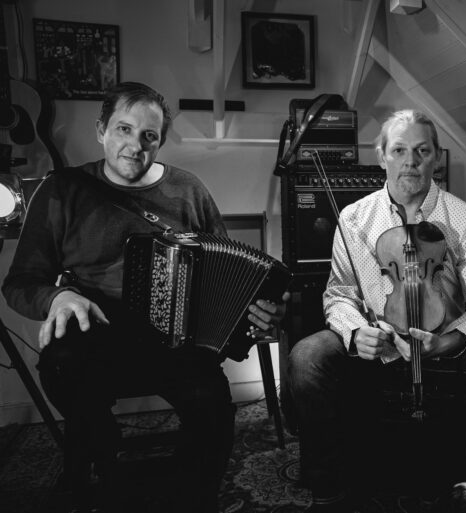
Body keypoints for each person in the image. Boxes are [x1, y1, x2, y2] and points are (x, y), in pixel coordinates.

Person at [2, 81, 288, 513]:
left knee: (213, 410)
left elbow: (230, 273)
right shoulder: (62, 190)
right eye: (123, 129)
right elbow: (20, 283)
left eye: (148, 136)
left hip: (178, 340)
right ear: (101, 130)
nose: (134, 145)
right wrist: (58, 298)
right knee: (63, 366)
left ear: (160, 141)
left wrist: (259, 311)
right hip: (96, 333)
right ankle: (107, 465)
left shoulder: (188, 189)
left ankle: (185, 493)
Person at [288, 109, 466, 512]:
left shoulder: (465, 219)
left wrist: (447, 340)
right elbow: (339, 292)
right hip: (379, 337)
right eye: (399, 150)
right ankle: (329, 488)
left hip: (446, 337)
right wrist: (355, 332)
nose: (410, 162)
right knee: (306, 357)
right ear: (382, 157)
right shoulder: (354, 218)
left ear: (436, 158)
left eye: (421, 151)